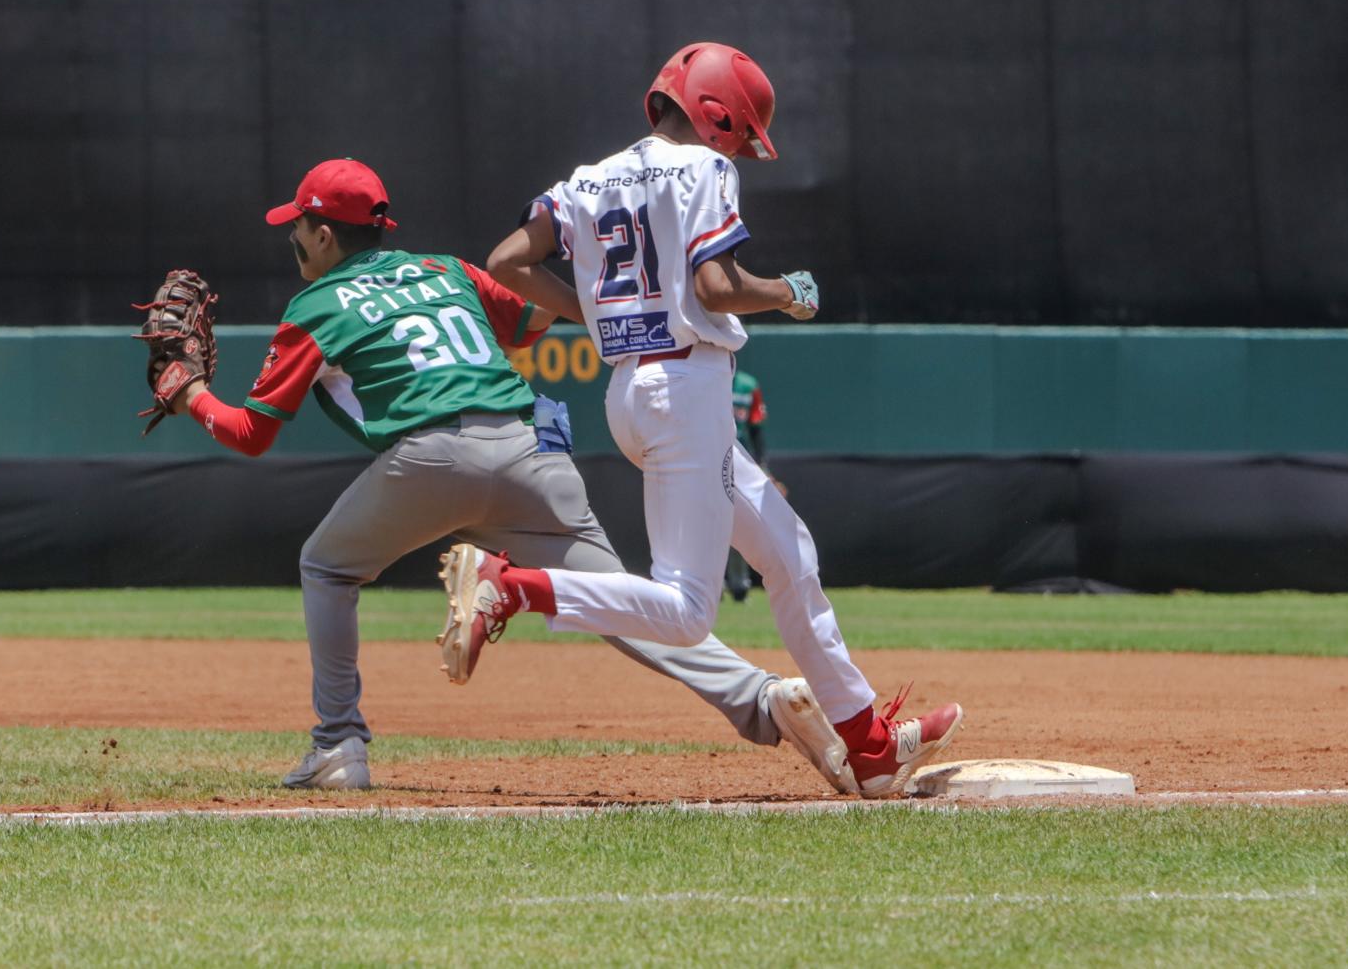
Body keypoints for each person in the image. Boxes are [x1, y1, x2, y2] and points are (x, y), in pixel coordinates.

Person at [155, 157, 855, 794]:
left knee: (326, 567)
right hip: (531, 453)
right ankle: (760, 696)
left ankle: (338, 742)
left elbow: (250, 433)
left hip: (428, 460)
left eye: (300, 226)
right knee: (621, 600)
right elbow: (527, 319)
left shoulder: (314, 306)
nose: (294, 239)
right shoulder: (444, 270)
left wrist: (187, 389)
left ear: (326, 235)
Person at [467, 43, 963, 798]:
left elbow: (505, 260)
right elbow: (717, 285)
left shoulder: (589, 178)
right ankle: (512, 587)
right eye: (741, 130)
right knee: (687, 613)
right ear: (719, 116)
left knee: (788, 552)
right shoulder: (706, 168)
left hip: (634, 392)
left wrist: (598, 313)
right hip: (686, 389)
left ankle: (867, 745)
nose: (740, 147)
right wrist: (787, 291)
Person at [725, 366, 771, 602]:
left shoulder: (747, 385)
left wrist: (763, 468)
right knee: (706, 525)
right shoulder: (703, 376)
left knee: (738, 525)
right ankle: (710, 586)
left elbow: (756, 430)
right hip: (706, 458)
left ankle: (739, 586)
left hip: (740, 461)